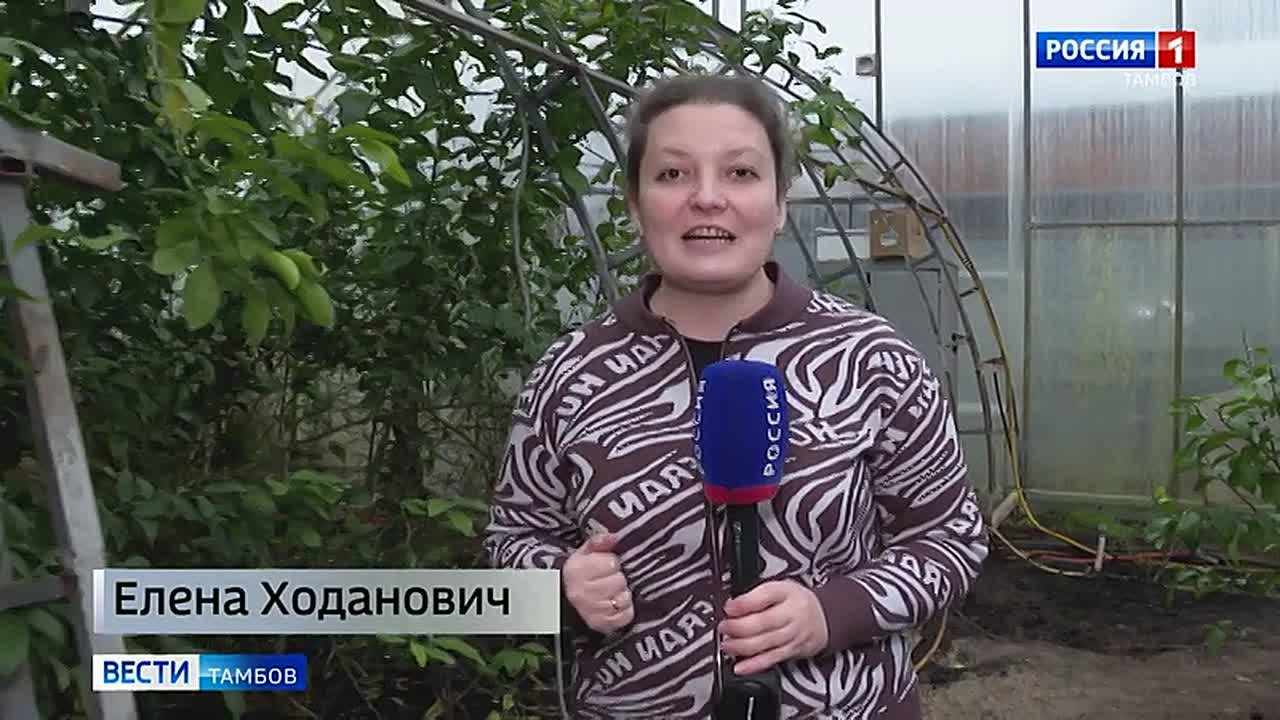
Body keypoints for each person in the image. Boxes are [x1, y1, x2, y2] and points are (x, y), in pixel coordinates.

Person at [483, 73, 988, 720]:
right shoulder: (571, 372)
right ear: (634, 205)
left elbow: (949, 540)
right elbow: (513, 539)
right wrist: (559, 581)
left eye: (741, 173)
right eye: (672, 174)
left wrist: (831, 612)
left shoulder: (870, 359)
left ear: (779, 203)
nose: (707, 198)